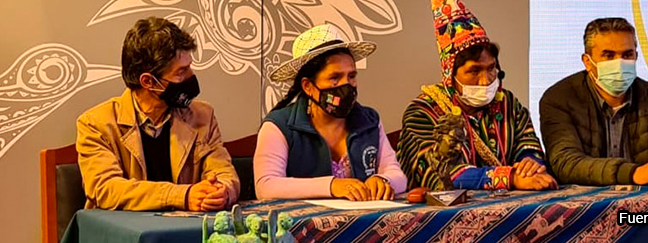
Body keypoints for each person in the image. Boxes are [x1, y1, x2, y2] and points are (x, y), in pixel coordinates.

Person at [397, 0, 556, 192]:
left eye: (491, 68)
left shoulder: (507, 103)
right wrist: (509, 178)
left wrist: (530, 164)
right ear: (450, 75)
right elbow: (441, 174)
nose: (485, 81)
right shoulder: (422, 112)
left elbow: (528, 146)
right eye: (474, 71)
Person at [76, 17, 239, 211]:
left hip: (184, 228)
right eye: (181, 71)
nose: (191, 76)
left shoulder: (203, 116)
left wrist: (221, 191)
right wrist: (182, 196)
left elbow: (223, 171)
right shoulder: (96, 124)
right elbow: (106, 189)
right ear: (148, 82)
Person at [254, 24, 406, 201]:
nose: (346, 85)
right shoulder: (279, 126)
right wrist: (331, 186)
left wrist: (383, 180)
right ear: (308, 86)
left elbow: (397, 174)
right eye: (335, 78)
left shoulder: (369, 120)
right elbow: (266, 186)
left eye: (351, 76)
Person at [539, 17, 648, 187]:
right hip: (581, 202)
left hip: (645, 202)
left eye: (627, 55)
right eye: (609, 56)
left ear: (636, 56)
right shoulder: (559, 99)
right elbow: (566, 164)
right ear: (587, 62)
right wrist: (632, 173)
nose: (619, 63)